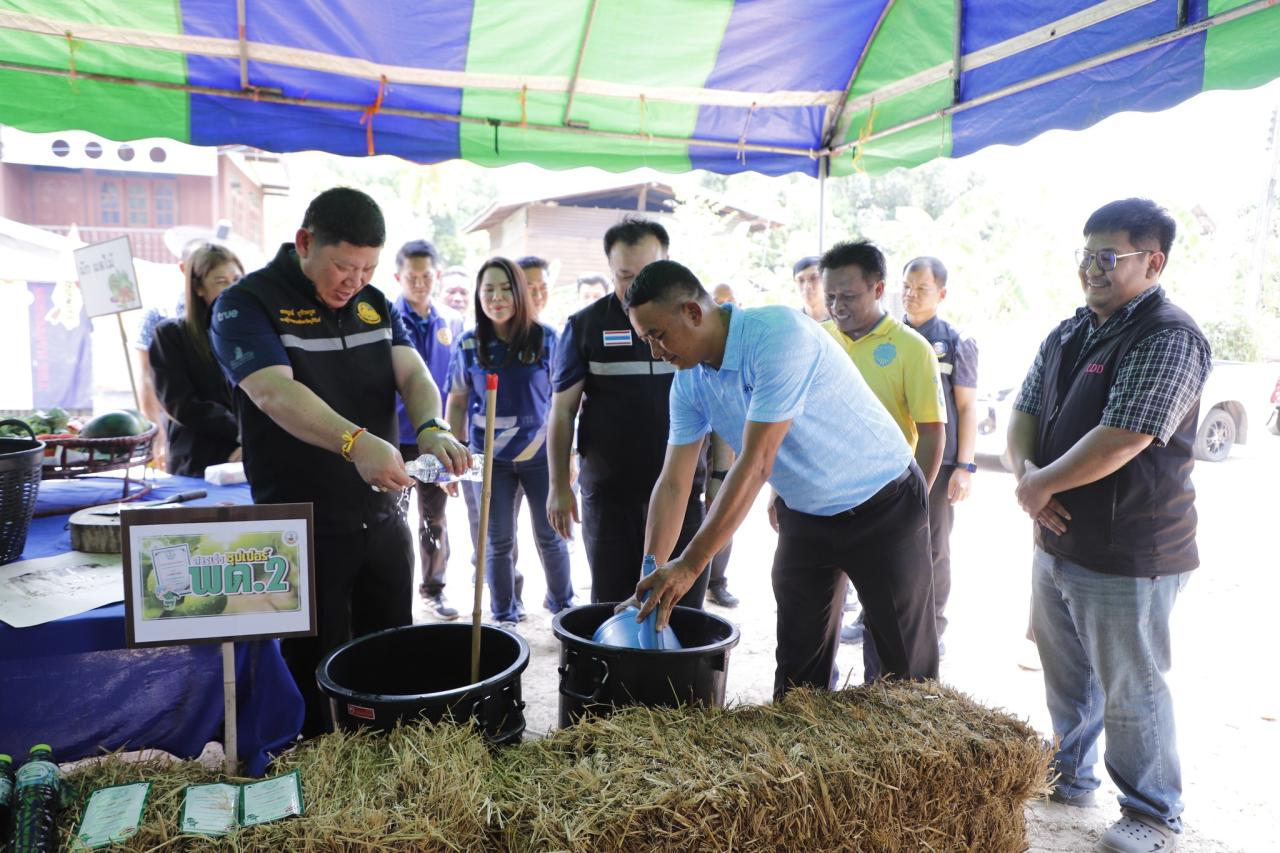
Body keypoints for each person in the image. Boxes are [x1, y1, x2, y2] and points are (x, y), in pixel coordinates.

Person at [210, 187, 469, 737]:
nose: (353, 281)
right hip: (301, 529)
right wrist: (355, 443)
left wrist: (431, 427)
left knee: (393, 654)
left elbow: (415, 374)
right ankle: (321, 775)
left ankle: (390, 761)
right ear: (305, 243)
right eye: (343, 266)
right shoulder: (246, 304)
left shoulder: (375, 303)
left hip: (381, 516)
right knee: (317, 670)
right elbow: (274, 394)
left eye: (368, 267)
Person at [625, 260, 938, 698]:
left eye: (658, 335)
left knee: (903, 664)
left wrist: (692, 565)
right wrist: (652, 573)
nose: (656, 352)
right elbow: (674, 483)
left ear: (693, 313)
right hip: (806, 514)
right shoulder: (689, 383)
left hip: (882, 502)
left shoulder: (775, 336)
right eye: (646, 340)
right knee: (797, 668)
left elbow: (756, 464)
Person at [1008, 198, 1210, 853]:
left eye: (1108, 257)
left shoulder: (1169, 335)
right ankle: (1071, 775)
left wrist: (1041, 484)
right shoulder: (1069, 331)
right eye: (1086, 255)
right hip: (1059, 538)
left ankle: (1153, 813)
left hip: (1133, 548)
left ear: (1152, 262)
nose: (1091, 268)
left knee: (1132, 684)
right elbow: (1025, 411)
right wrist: (1028, 475)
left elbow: (1124, 435)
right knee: (1065, 671)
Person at [546, 217, 713, 608]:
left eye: (647, 273)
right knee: (614, 604)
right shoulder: (585, 326)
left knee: (682, 605)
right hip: (611, 498)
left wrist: (721, 473)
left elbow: (716, 403)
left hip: (685, 491)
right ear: (609, 270)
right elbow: (562, 413)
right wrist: (557, 486)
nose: (634, 285)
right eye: (624, 275)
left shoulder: (694, 324)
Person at [820, 240, 945, 674]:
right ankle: (813, 714)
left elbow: (931, 432)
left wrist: (916, 503)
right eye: (830, 295)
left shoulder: (911, 348)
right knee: (811, 626)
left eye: (848, 296)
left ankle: (889, 711)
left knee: (893, 631)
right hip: (819, 503)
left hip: (885, 505)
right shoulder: (816, 340)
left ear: (878, 289)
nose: (837, 306)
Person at [445, 257, 574, 625]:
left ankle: (563, 607)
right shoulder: (469, 343)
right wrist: (453, 454)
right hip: (487, 460)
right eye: (488, 290)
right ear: (478, 296)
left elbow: (565, 403)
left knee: (552, 537)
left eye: (505, 289)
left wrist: (569, 457)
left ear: (519, 292)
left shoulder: (548, 338)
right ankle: (504, 614)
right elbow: (456, 400)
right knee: (496, 542)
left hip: (541, 455)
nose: (497, 298)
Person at [902, 256, 978, 652]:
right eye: (907, 288)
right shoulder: (889, 334)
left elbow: (965, 408)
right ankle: (872, 614)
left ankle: (934, 625)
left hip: (939, 462)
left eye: (922, 289)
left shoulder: (955, 341)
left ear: (942, 294)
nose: (912, 296)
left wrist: (964, 466)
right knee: (880, 540)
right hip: (892, 458)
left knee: (933, 547)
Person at [392, 239, 464, 621]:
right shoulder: (386, 320)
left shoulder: (450, 322)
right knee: (391, 518)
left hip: (435, 439)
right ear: (398, 277)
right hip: (393, 437)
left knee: (433, 518)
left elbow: (457, 386)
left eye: (426, 276)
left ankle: (433, 590)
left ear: (437, 276)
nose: (419, 283)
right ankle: (394, 592)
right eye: (411, 277)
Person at [147, 243, 243, 477]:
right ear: (198, 287)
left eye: (237, 280)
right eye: (221, 282)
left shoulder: (250, 333)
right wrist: (242, 433)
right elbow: (181, 404)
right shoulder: (171, 335)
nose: (232, 288)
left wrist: (252, 441)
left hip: (248, 454)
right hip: (200, 459)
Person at [792, 256, 829, 322]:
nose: (807, 286)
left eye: (814, 278)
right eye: (801, 280)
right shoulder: (792, 323)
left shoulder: (842, 321)